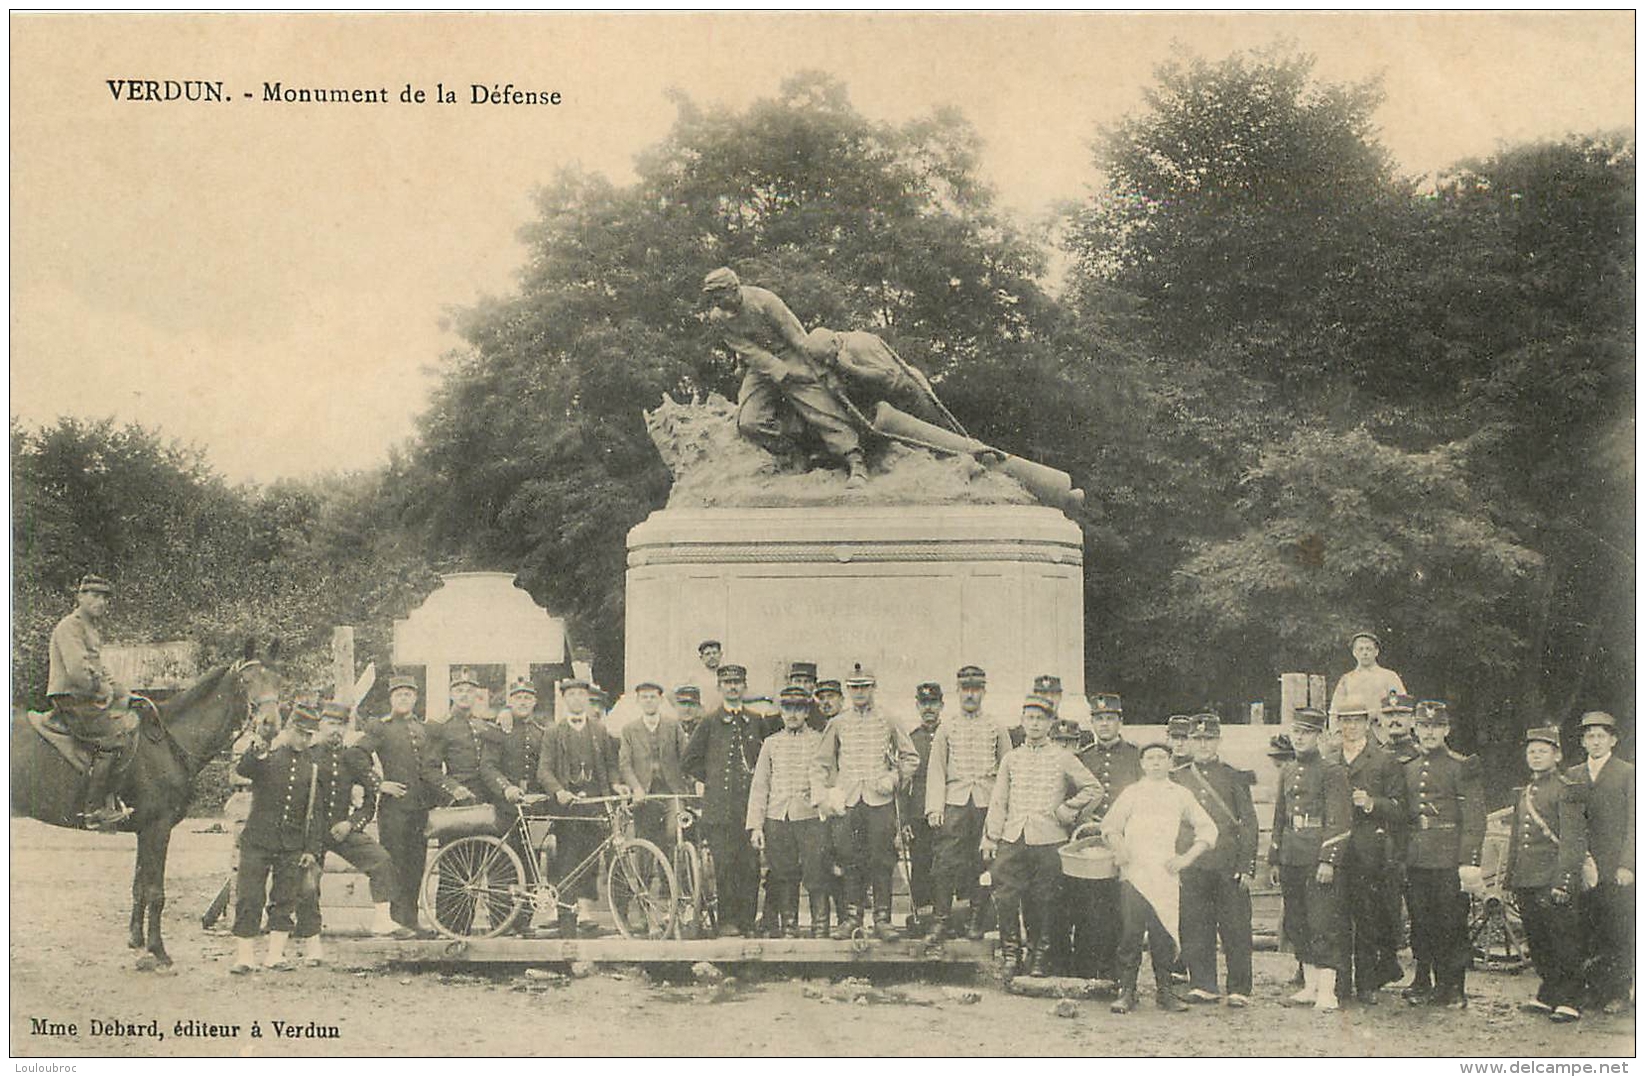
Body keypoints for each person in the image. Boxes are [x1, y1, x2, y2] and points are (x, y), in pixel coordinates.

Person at [701, 267, 868, 488]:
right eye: (712, 297)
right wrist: (779, 371)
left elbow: (797, 337)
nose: (716, 302)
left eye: (719, 296)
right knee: (749, 422)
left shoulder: (764, 301)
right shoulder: (718, 317)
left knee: (820, 407)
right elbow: (747, 350)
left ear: (734, 289)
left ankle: (855, 461)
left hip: (792, 354)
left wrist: (820, 371)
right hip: (760, 365)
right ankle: (796, 452)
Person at [983, 696, 1101, 980]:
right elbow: (999, 800)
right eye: (1030, 719)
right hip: (1013, 836)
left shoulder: (1062, 757)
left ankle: (1040, 956)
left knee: (1045, 900)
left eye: (1040, 719)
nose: (1034, 724)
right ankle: (1012, 955)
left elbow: (1093, 789)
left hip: (1049, 839)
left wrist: (1068, 810)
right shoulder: (1011, 759)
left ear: (1050, 723)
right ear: (1022, 722)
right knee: (1006, 896)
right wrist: (990, 838)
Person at [1103, 741, 1216, 1013]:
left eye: (1161, 758)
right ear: (1142, 764)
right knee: (1130, 934)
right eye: (1150, 758)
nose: (1155, 763)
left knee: (1163, 934)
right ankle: (1127, 992)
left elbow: (1208, 829)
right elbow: (1110, 826)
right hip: (1134, 874)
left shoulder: (1180, 794)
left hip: (1165, 875)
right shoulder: (1132, 792)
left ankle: (1165, 993)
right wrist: (1120, 850)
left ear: (1170, 762)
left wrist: (1185, 859)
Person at [813, 664, 919, 940]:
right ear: (848, 691)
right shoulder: (837, 723)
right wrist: (826, 795)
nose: (859, 693)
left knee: (882, 858)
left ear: (874, 688)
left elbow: (910, 758)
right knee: (849, 859)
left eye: (865, 687)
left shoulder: (889, 719)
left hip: (879, 801)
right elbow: (821, 764)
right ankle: (852, 918)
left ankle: (882, 920)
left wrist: (893, 778)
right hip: (848, 802)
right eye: (854, 688)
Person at [293, 703, 402, 963]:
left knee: (381, 860)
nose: (336, 730)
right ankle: (312, 945)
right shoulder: (307, 755)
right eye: (331, 724)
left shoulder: (350, 758)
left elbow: (369, 800)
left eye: (341, 725)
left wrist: (351, 824)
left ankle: (382, 921)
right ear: (320, 725)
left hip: (340, 829)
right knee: (308, 885)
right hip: (310, 833)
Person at [1399, 700, 1486, 1009]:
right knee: (1420, 921)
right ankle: (1423, 980)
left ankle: (1454, 986)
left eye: (1436, 727)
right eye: (1424, 726)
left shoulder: (1461, 766)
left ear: (1446, 729)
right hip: (1416, 857)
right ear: (1415, 728)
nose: (1429, 733)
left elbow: (1474, 817)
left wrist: (1468, 861)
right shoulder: (1407, 767)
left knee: (1451, 923)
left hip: (1449, 858)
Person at [1268, 707, 1351, 1011]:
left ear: (1319, 736)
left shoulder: (1332, 771)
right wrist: (1275, 857)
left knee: (1323, 921)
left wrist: (1328, 859)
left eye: (1306, 732)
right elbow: (1280, 815)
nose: (1300, 737)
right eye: (1296, 732)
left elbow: (1339, 819)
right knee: (1298, 920)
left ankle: (1328, 990)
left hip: (1317, 855)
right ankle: (1310, 985)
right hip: (1292, 854)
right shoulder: (1288, 770)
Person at [925, 665, 1013, 946]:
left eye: (976, 690)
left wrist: (1004, 810)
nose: (970, 695)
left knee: (984, 862)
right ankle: (941, 921)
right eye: (965, 689)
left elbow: (1007, 769)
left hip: (987, 803)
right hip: (955, 802)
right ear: (957, 692)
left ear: (984, 692)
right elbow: (936, 769)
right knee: (946, 862)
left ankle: (977, 920)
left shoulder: (996, 727)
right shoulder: (946, 727)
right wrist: (934, 808)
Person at [1176, 714, 1259, 1008]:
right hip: (1193, 864)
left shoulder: (1233, 776)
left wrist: (1246, 866)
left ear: (1218, 741)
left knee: (1235, 927)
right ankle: (1202, 983)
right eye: (1197, 739)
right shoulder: (1179, 777)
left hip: (1227, 863)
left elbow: (1248, 823)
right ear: (1188, 742)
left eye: (1208, 739)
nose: (1202, 745)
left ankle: (1239, 988)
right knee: (1195, 925)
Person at [231, 707, 321, 973]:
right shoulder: (266, 755)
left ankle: (275, 955)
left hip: (291, 845)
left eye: (309, 736)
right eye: (300, 733)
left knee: (284, 898)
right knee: (249, 897)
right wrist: (256, 748)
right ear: (289, 729)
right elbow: (244, 769)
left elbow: (315, 812)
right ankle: (245, 957)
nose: (304, 740)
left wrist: (311, 849)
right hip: (257, 841)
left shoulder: (312, 766)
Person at [1507, 726, 1587, 1023]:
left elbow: (1572, 840)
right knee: (1538, 939)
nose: (1536, 756)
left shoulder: (1566, 789)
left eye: (1543, 751)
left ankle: (1570, 998)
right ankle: (1548, 992)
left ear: (1557, 755)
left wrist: (1564, 881)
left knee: (1563, 938)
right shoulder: (1526, 791)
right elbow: (1516, 839)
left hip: (1553, 877)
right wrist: (1509, 880)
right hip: (1527, 878)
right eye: (1531, 751)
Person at [46, 574, 136, 829]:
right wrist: (102, 691)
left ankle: (113, 798)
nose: (101, 602)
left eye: (105, 598)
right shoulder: (70, 627)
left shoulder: (91, 629)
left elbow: (98, 669)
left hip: (84, 698)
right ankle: (94, 809)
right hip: (71, 698)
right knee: (113, 739)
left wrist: (121, 690)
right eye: (94, 596)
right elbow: (77, 672)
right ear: (80, 597)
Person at [356, 673, 443, 935]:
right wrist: (378, 784)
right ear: (391, 698)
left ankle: (410, 920)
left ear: (415, 698)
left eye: (408, 694)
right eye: (398, 694)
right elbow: (356, 755)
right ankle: (393, 921)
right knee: (394, 862)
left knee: (416, 864)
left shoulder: (424, 727)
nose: (404, 698)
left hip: (420, 808)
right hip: (394, 809)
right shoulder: (380, 727)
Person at [682, 664, 764, 937]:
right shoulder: (709, 722)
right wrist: (714, 780)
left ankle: (748, 921)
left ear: (744, 686)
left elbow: (763, 763)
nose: (732, 687)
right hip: (719, 811)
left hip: (749, 809)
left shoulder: (755, 721)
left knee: (750, 866)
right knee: (726, 866)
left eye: (737, 682)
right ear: (719, 687)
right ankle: (727, 921)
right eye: (727, 682)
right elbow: (689, 760)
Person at [1335, 706, 1405, 1004]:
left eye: (1356, 721)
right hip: (1336, 849)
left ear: (1367, 724)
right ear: (1339, 725)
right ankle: (1339, 983)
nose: (1351, 727)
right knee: (1336, 919)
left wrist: (1370, 803)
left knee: (1367, 918)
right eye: (1345, 721)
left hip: (1369, 850)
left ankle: (1367, 983)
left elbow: (1401, 807)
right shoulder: (1330, 759)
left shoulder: (1384, 760)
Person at [747, 686, 830, 937]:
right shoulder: (771, 744)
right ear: (781, 712)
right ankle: (790, 927)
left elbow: (828, 777)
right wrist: (756, 826)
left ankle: (820, 926)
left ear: (806, 712)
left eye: (798, 709)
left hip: (811, 817)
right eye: (787, 709)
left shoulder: (819, 740)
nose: (792, 714)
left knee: (816, 871)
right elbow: (760, 785)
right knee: (783, 873)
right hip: (777, 817)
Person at [1071, 692, 1142, 981]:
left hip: (1125, 843)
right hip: (1090, 842)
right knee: (1088, 905)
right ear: (1091, 723)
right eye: (1099, 719)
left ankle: (1116, 973)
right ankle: (1086, 970)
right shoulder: (1082, 758)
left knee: (1121, 908)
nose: (1104, 725)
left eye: (1110, 719)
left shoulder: (1136, 756)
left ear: (1120, 722)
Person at [537, 678, 615, 938]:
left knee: (591, 858)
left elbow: (610, 764)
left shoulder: (599, 730)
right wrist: (558, 791)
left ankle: (584, 912)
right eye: (571, 695)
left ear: (587, 699)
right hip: (566, 805)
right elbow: (544, 769)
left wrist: (616, 785)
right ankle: (565, 913)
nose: (577, 699)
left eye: (581, 694)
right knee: (567, 857)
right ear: (565, 699)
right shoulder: (553, 732)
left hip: (593, 802)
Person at [1568, 711, 1635, 1014]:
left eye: (1601, 736)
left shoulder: (1628, 773)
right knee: (1585, 928)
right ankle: (1592, 991)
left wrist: (1628, 864)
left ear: (1613, 740)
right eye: (1589, 736)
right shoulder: (1573, 774)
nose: (1595, 741)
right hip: (1582, 864)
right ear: (1582, 741)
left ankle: (1618, 991)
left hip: (1614, 867)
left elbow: (1636, 822)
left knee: (1617, 929)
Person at [618, 681, 691, 852]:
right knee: (645, 840)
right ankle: (644, 879)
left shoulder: (673, 726)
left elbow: (687, 757)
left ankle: (673, 877)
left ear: (660, 700)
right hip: (645, 793)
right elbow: (625, 764)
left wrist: (690, 781)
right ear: (638, 701)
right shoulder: (629, 730)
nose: (648, 701)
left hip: (672, 791)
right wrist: (636, 788)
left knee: (674, 833)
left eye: (652, 697)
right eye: (644, 697)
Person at [902, 681, 944, 935]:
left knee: (946, 866)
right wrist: (905, 819)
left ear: (941, 705)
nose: (929, 708)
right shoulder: (911, 739)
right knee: (921, 864)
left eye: (933, 703)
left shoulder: (949, 735)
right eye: (924, 703)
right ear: (918, 706)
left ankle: (945, 919)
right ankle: (922, 919)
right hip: (919, 814)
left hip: (945, 813)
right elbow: (904, 783)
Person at [425, 668, 484, 808]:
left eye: (470, 691)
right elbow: (430, 769)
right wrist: (453, 788)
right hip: (457, 798)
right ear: (451, 695)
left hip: (486, 797)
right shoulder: (440, 726)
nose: (465, 695)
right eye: (459, 690)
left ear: (476, 695)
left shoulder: (483, 725)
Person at [1329, 631, 1407, 730]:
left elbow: (1402, 708)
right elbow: (1335, 711)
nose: (1364, 653)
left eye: (1368, 649)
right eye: (1360, 649)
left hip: (1382, 731)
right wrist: (1335, 732)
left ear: (1376, 652)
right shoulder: (1346, 679)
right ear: (1354, 653)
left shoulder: (1389, 676)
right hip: (1353, 731)